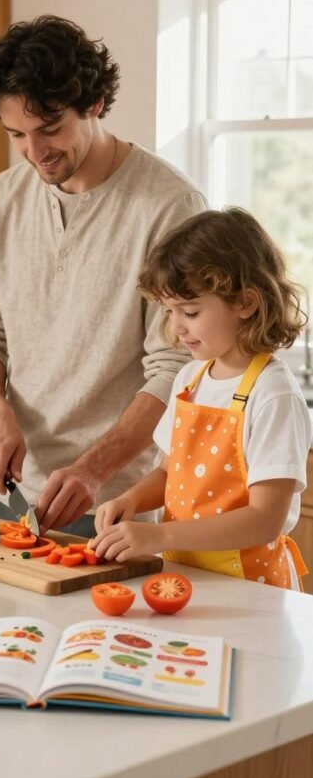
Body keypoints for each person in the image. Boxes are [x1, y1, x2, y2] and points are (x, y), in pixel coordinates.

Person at [0, 15, 206, 535]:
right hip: (12, 491)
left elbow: (175, 368)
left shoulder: (169, 206)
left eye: (50, 129)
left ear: (93, 104)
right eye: (16, 135)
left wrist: (95, 469)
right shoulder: (6, 195)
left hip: (116, 505)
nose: (35, 152)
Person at [93, 208, 311, 590]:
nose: (176, 327)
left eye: (190, 311)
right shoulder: (190, 378)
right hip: (187, 581)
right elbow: (167, 472)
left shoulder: (273, 394)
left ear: (245, 303)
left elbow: (265, 519)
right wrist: (130, 499)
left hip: (253, 591)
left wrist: (159, 537)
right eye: (170, 311)